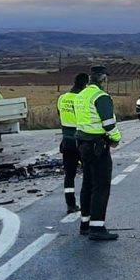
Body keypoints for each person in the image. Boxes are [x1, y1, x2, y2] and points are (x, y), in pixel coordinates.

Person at [75, 66, 122, 241]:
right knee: (101, 186)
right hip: (98, 145)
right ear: (103, 79)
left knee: (87, 184)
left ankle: (85, 224)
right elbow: (109, 124)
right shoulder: (101, 97)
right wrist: (116, 138)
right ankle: (97, 227)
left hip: (82, 144)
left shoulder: (81, 96)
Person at [58, 73, 89, 214]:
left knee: (69, 175)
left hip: (66, 141)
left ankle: (70, 205)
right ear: (85, 84)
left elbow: (60, 115)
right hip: (81, 141)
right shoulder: (82, 99)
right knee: (88, 174)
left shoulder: (62, 98)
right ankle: (86, 205)